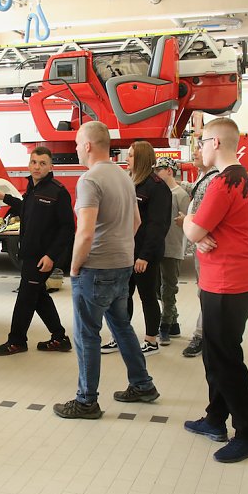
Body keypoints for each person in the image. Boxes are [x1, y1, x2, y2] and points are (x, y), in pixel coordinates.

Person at [54, 121, 159, 420]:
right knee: (122, 326)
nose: (74, 148)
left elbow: (85, 233)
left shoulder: (90, 180)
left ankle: (86, 401)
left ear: (88, 145)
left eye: (76, 142)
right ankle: (142, 385)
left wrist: (74, 268)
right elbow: (136, 222)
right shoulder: (124, 177)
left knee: (87, 335)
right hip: (122, 265)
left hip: (95, 269)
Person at [182, 117, 248, 463]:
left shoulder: (223, 183)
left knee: (225, 358)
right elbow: (206, 231)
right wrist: (200, 233)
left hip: (229, 281)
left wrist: (191, 225)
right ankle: (216, 419)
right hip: (233, 278)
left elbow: (192, 229)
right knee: (215, 354)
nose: (199, 148)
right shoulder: (239, 178)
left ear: (216, 143)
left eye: (202, 141)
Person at [0, 146, 75, 355]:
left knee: (26, 299)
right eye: (34, 162)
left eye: (42, 163)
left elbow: (67, 228)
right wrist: (6, 198)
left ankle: (17, 341)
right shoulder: (32, 189)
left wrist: (51, 256)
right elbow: (26, 209)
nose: (37, 167)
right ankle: (59, 337)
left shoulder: (58, 192)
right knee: (38, 296)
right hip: (29, 254)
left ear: (50, 166)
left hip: (42, 257)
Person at [100, 141, 170, 356]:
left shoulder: (157, 187)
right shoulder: (130, 182)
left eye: (130, 155)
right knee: (122, 295)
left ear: (140, 158)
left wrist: (144, 256)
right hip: (125, 252)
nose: (127, 158)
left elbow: (158, 226)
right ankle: (119, 336)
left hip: (143, 255)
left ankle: (151, 341)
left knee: (147, 295)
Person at [175, 141, 219, 358]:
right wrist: (175, 183)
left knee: (206, 292)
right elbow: (196, 192)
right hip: (200, 243)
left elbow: (205, 217)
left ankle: (202, 335)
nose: (195, 152)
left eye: (201, 148)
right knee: (204, 291)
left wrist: (187, 223)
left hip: (206, 245)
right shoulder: (205, 177)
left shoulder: (215, 179)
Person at [154, 156, 191, 345]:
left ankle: (165, 327)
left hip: (173, 247)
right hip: (159, 246)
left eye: (158, 170)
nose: (155, 174)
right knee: (159, 290)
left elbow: (187, 223)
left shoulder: (180, 195)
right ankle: (174, 322)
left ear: (169, 171)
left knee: (168, 290)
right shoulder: (160, 193)